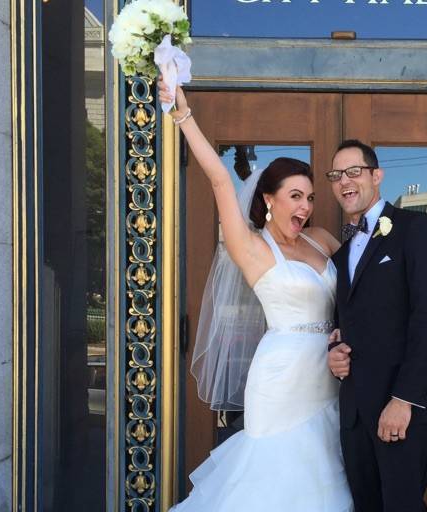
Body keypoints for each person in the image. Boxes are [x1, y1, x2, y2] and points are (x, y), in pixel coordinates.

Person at [159, 80, 353, 512]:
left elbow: (361, 287)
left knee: (323, 474)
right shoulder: (251, 248)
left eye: (310, 197)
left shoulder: (321, 239)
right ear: (269, 198)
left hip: (328, 376)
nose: (305, 206)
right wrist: (182, 115)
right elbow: (218, 181)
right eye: (295, 196)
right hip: (281, 378)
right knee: (273, 478)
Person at [327, 140, 427, 512]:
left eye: (354, 171)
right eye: (336, 175)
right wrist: (333, 351)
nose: (344, 181)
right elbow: (345, 322)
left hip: (403, 409)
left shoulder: (418, 229)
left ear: (377, 175)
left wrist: (403, 400)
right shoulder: (340, 253)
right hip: (355, 411)